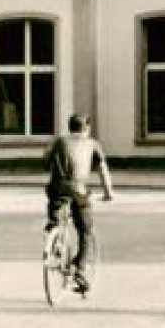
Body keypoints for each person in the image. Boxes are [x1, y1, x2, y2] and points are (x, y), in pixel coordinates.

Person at [42, 114, 113, 294]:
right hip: (79, 190)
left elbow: (44, 162)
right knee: (85, 229)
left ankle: (54, 234)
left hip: (57, 188)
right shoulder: (92, 144)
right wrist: (108, 193)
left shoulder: (59, 141)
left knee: (55, 213)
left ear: (69, 127)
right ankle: (80, 270)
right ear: (86, 128)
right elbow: (103, 171)